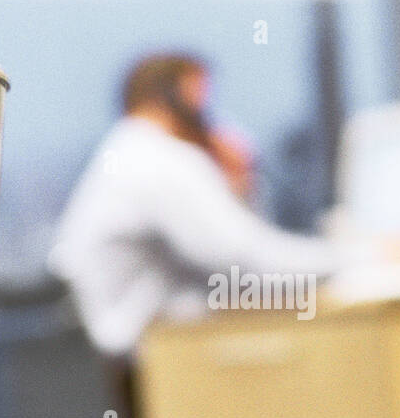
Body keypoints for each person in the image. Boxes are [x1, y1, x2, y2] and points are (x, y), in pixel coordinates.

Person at [49, 53, 356, 361]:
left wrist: (237, 184)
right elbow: (242, 261)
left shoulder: (126, 154)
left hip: (149, 349)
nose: (211, 116)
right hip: (161, 357)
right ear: (176, 97)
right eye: (203, 98)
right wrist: (352, 258)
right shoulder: (160, 161)